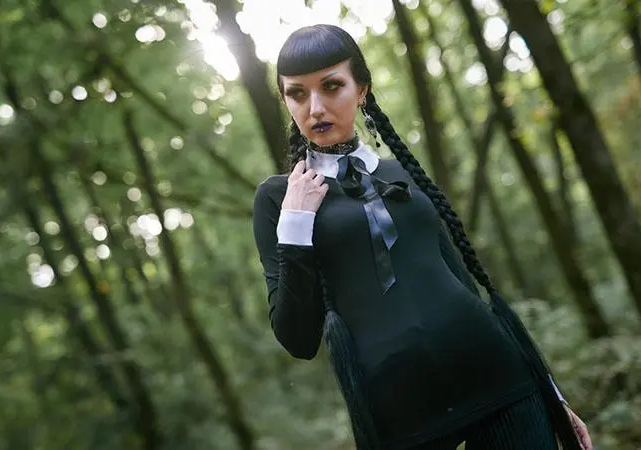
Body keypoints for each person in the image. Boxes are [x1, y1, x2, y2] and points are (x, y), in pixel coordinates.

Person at [252, 24, 593, 450]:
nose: (315, 107)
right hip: (400, 421)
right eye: (297, 93)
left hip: (500, 380)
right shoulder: (278, 199)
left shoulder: (403, 173)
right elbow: (297, 338)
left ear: (361, 90)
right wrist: (296, 223)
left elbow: (464, 284)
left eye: (332, 86)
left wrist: (551, 393)